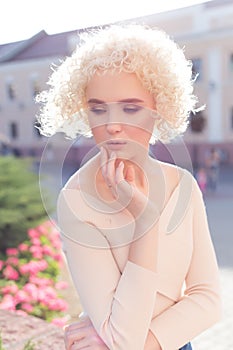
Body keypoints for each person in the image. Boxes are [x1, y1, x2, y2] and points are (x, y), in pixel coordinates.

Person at [37, 24, 221, 350]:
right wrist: (145, 221)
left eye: (131, 107)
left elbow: (208, 298)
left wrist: (138, 342)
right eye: (97, 108)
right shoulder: (77, 201)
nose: (112, 124)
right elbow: (121, 337)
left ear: (160, 106)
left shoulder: (183, 185)